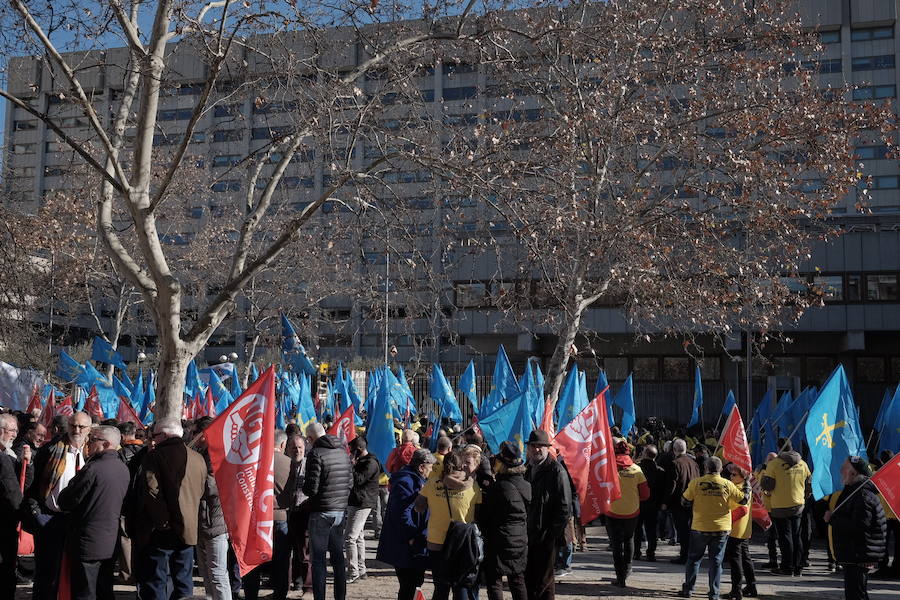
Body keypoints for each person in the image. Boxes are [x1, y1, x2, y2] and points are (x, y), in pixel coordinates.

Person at [132, 417, 208, 600]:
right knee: (183, 581)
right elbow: (201, 490)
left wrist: (162, 522)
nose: (152, 440)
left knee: (157, 581)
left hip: (161, 531)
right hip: (188, 530)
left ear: (164, 435)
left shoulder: (155, 456)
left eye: (155, 436)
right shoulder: (197, 458)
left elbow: (151, 490)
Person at [57, 425, 130, 600]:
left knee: (85, 592)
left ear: (106, 444)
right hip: (109, 540)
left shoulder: (94, 469)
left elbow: (66, 500)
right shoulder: (122, 468)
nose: (87, 443)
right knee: (104, 589)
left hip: (88, 542)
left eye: (92, 440)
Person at [26, 410, 91, 600]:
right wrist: (37, 513)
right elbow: (33, 485)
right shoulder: (50, 450)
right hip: (50, 519)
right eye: (73, 425)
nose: (76, 430)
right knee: (47, 573)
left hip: (79, 523)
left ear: (89, 429)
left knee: (75, 573)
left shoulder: (93, 454)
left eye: (81, 426)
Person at [678, 457, 749, 600]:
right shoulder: (728, 484)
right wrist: (747, 483)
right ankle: (714, 593)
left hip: (699, 526)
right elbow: (743, 500)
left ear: (705, 468)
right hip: (721, 528)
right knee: (716, 562)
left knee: (693, 559)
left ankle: (689, 590)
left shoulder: (696, 483)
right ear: (721, 469)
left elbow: (684, 502)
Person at [416, 449, 482, 600]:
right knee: (461, 586)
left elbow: (419, 507)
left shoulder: (432, 482)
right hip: (462, 541)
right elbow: (478, 514)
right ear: (461, 466)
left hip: (436, 541)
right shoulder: (473, 486)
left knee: (441, 586)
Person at [825, 456, 887, 600]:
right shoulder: (854, 491)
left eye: (844, 468)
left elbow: (859, 525)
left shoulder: (862, 495)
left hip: (858, 554)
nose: (840, 471)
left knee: (856, 595)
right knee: (857, 594)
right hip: (855, 554)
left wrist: (833, 519)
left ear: (853, 473)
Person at [376, 448, 435, 600]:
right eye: (430, 467)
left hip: (412, 541)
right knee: (409, 584)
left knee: (414, 583)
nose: (432, 470)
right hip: (405, 543)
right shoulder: (406, 482)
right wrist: (412, 536)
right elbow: (402, 513)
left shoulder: (417, 479)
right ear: (421, 467)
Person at [303, 422, 352, 600]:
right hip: (339, 511)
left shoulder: (315, 453)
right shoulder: (343, 453)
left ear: (310, 438)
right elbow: (350, 483)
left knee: (318, 560)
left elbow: (311, 488)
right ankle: (340, 596)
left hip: (321, 511)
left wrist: (304, 487)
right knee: (338, 558)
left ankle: (320, 597)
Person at [244, 429, 293, 600]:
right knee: (281, 561)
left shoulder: (255, 462)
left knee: (254, 560)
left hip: (257, 517)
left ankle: (251, 594)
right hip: (281, 517)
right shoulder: (290, 463)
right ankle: (280, 594)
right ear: (282, 444)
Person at [479, 441, 531, 600]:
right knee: (517, 580)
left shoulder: (499, 487)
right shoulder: (526, 485)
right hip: (520, 538)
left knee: (494, 581)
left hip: (499, 539)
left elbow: (487, 515)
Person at [524, 429, 571, 600]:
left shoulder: (556, 471)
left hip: (547, 536)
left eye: (541, 446)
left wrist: (551, 534)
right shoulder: (528, 469)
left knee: (543, 581)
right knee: (532, 578)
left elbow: (565, 507)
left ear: (547, 448)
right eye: (533, 446)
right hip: (530, 534)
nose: (537, 449)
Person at [193, 416, 232, 600]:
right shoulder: (199, 454)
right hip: (201, 523)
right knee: (206, 574)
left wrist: (194, 477)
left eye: (196, 433)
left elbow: (213, 487)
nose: (193, 436)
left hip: (216, 523)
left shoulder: (220, 457)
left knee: (217, 574)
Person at [760, 438, 811, 576]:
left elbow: (767, 486)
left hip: (780, 506)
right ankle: (798, 567)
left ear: (779, 447)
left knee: (785, 537)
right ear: (792, 447)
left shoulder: (774, 464)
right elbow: (809, 483)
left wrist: (763, 475)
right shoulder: (802, 463)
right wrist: (805, 495)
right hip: (798, 504)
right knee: (797, 536)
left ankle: (787, 567)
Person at [606, 439, 649, 587]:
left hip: (612, 511)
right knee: (629, 539)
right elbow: (645, 495)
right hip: (631, 511)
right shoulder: (637, 470)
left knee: (616, 544)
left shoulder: (609, 468)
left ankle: (620, 576)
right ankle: (628, 568)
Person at [345, 436, 382, 584]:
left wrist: (352, 465)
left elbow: (359, 480)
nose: (351, 453)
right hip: (357, 501)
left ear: (359, 450)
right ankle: (361, 569)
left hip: (363, 503)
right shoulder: (364, 461)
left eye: (353, 451)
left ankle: (353, 571)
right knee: (358, 537)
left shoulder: (370, 463)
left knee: (349, 538)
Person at [0, 412, 26, 598]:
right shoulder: (2, 458)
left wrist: (28, 464)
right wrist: (24, 515)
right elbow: (12, 493)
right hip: (3, 522)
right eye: (12, 431)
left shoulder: (7, 455)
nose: (15, 435)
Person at [723, 464, 757, 600]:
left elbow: (742, 509)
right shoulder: (746, 487)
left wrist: (728, 521)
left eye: (734, 475)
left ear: (742, 476)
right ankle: (751, 585)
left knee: (735, 560)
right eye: (731, 474)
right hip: (743, 528)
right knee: (745, 558)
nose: (731, 477)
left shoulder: (739, 488)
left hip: (736, 529)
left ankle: (736, 590)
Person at [664, 438, 700, 564]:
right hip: (692, 501)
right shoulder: (694, 463)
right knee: (690, 529)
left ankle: (684, 555)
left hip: (679, 502)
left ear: (674, 450)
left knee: (683, 530)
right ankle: (689, 553)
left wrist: (665, 501)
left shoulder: (675, 463)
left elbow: (671, 485)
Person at [284, 433, 310, 594]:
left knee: (305, 552)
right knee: (290, 551)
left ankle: (308, 588)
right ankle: (296, 582)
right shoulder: (285, 465)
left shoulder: (309, 465)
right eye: (294, 447)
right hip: (287, 513)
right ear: (287, 449)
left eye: (300, 447)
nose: (297, 450)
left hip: (304, 513)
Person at [634, 443, 666, 561]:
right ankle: (651, 553)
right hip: (653, 504)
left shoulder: (637, 468)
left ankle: (637, 552)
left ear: (645, 454)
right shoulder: (660, 471)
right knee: (651, 530)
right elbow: (663, 489)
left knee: (637, 529)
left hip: (638, 503)